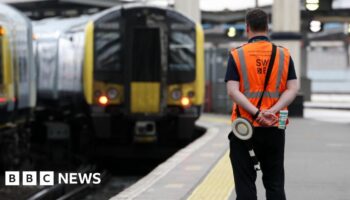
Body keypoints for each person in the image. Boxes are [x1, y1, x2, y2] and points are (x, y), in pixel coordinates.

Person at [225, 9, 299, 200]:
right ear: (267, 27)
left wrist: (257, 114)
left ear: (247, 27)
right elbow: (292, 89)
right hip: (277, 123)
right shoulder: (284, 54)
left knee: (245, 183)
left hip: (244, 127)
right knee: (275, 182)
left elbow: (233, 91)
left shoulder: (237, 55)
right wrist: (272, 111)